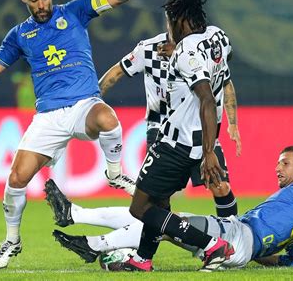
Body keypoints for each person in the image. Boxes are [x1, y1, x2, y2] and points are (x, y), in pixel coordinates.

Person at [0, 0, 165, 269]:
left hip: (83, 105)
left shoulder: (77, 11)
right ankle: (12, 240)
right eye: (33, 0)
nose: (40, 5)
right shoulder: (19, 35)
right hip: (49, 117)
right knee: (16, 179)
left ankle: (115, 173)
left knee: (107, 118)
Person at [46, 146, 293, 271]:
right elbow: (289, 262)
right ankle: (83, 225)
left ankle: (90, 237)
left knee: (161, 217)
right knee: (164, 222)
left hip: (238, 235)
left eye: (286, 162)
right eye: (279, 161)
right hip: (240, 244)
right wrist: (260, 256)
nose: (277, 167)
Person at [98, 27, 241, 217]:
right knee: (158, 199)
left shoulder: (201, 48)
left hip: (197, 128)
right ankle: (166, 236)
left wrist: (233, 123)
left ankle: (233, 239)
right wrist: (93, 105)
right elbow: (115, 74)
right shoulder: (147, 49)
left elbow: (224, 81)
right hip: (161, 129)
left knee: (220, 186)